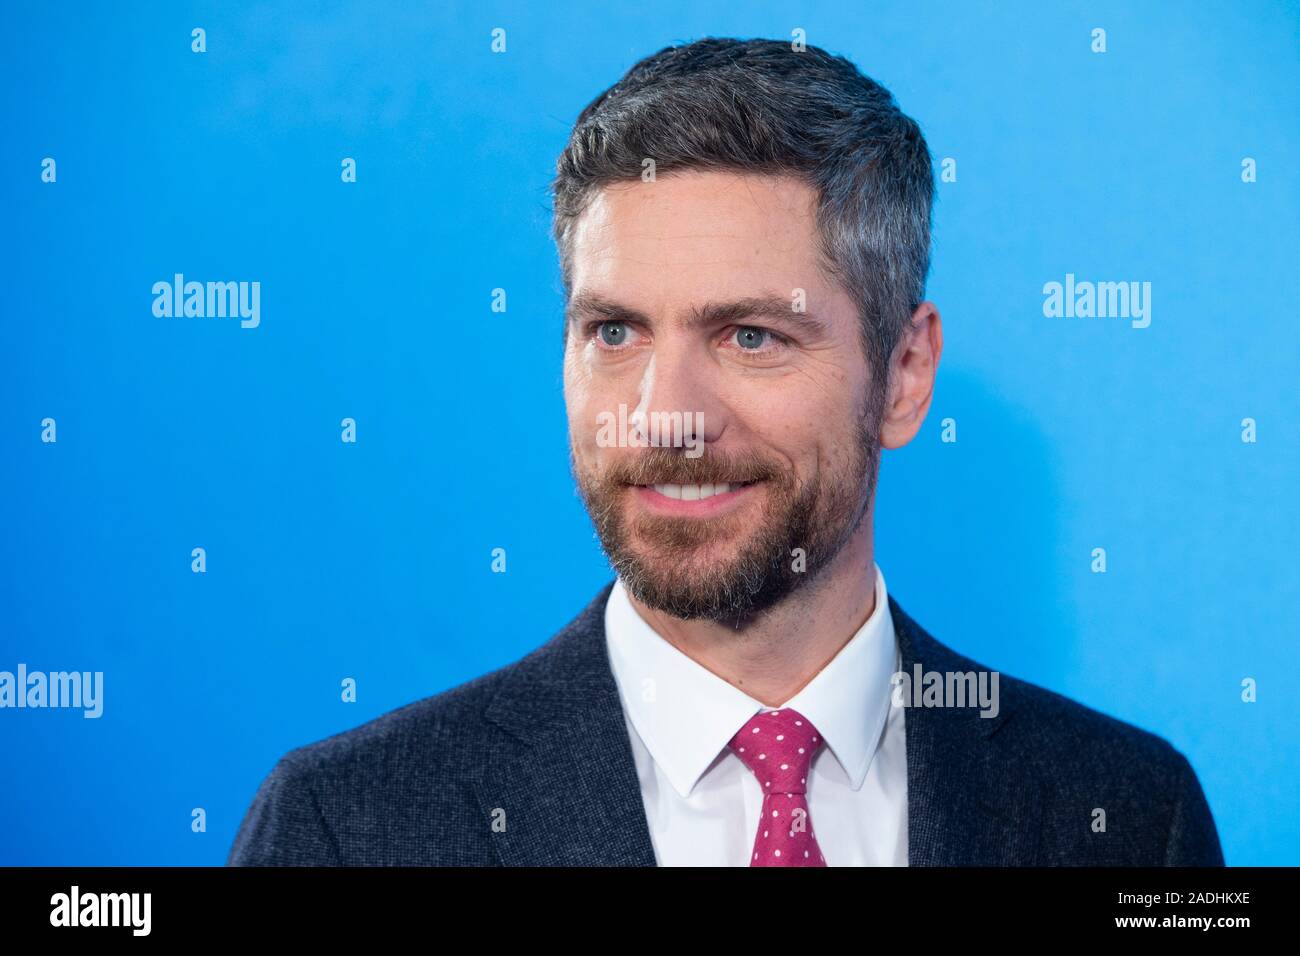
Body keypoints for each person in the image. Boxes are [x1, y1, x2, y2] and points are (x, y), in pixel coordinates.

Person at [228, 37, 1223, 867]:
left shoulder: (1129, 816)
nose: (664, 418)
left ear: (905, 373)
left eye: (750, 336)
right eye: (615, 332)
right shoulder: (347, 828)